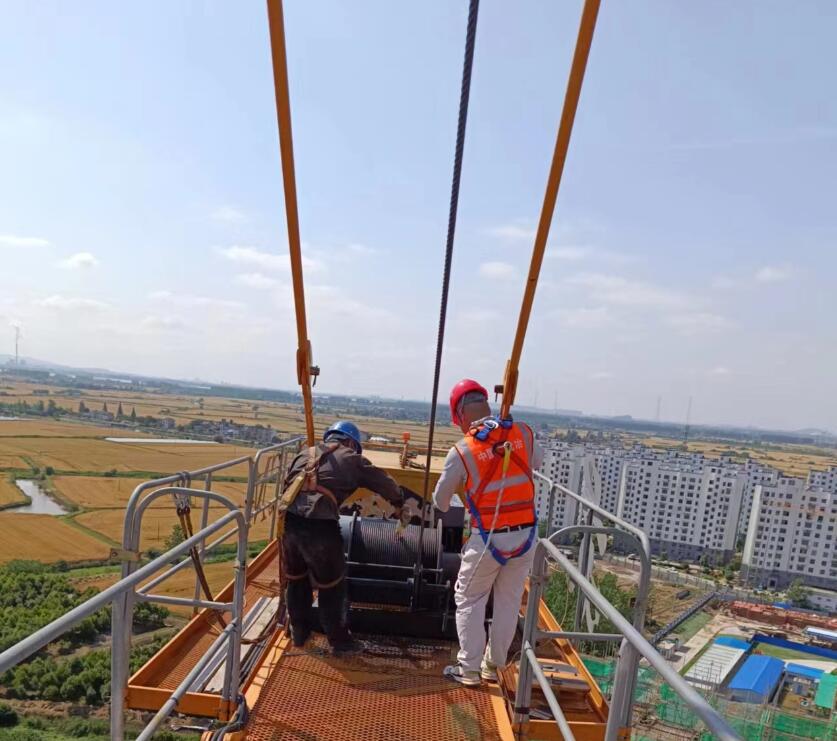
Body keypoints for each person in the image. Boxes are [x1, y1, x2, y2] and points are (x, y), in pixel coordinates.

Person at [433, 379, 543, 686]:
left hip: (489, 539)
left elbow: (441, 502)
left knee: (470, 598)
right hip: (526, 537)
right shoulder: (522, 431)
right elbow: (537, 460)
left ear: (459, 415)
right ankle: (493, 667)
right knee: (508, 600)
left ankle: (468, 669)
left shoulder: (463, 450)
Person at [281, 420, 404, 652]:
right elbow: (382, 482)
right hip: (320, 527)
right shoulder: (350, 457)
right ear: (350, 442)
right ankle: (340, 641)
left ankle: (299, 634)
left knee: (296, 579)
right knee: (332, 584)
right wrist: (398, 502)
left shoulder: (304, 453)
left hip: (289, 523)